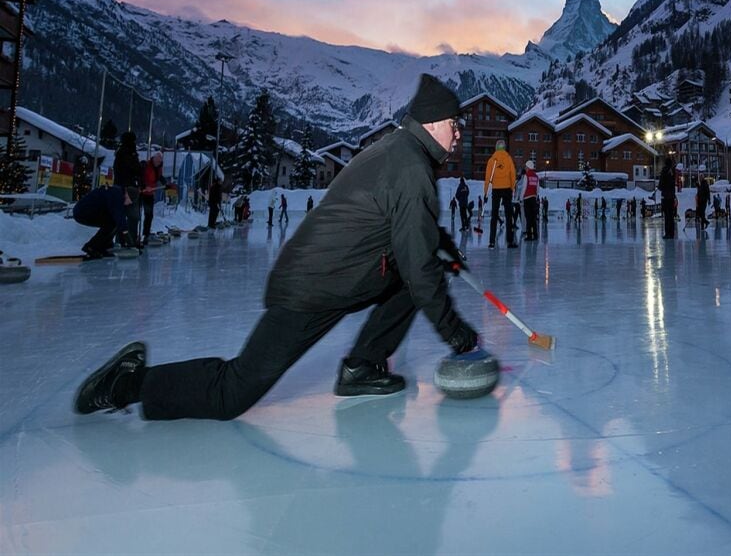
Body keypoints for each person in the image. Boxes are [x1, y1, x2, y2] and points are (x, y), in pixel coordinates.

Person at [74, 73, 481, 421]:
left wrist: (437, 242)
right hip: (312, 286)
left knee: (414, 276)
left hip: (339, 274)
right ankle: (126, 383)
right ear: (431, 124)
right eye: (454, 125)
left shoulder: (398, 151)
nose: (458, 134)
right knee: (232, 394)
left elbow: (405, 226)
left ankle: (363, 367)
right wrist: (457, 335)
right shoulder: (411, 168)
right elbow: (418, 264)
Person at [74, 185, 136, 260]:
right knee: (110, 224)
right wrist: (129, 240)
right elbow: (120, 218)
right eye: (130, 201)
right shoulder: (117, 196)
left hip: (88, 210)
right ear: (127, 195)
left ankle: (104, 246)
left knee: (111, 222)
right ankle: (91, 247)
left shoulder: (118, 192)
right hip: (83, 211)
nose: (129, 204)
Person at [483, 140, 517, 248]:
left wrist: (486, 193)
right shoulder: (508, 158)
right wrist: (512, 188)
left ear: (496, 147)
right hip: (507, 188)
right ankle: (510, 241)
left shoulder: (492, 160)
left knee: (494, 215)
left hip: (496, 189)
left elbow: (488, 177)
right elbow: (513, 174)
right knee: (508, 215)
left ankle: (492, 241)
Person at [113, 131, 141, 247]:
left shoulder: (120, 153)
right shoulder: (129, 153)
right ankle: (130, 241)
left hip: (120, 186)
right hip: (128, 188)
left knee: (122, 216)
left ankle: (121, 240)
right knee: (133, 216)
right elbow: (135, 169)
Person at [139, 151, 164, 246]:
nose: (158, 163)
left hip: (150, 193)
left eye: (159, 162)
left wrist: (164, 182)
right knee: (137, 215)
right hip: (142, 192)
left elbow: (159, 177)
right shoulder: (146, 165)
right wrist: (144, 186)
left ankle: (146, 234)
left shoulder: (159, 167)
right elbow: (141, 177)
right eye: (157, 161)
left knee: (149, 214)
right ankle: (133, 235)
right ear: (153, 159)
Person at [517, 160, 540, 241]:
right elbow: (537, 189)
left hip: (527, 199)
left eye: (526, 167)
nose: (525, 168)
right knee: (533, 217)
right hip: (533, 198)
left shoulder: (527, 175)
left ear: (528, 167)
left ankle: (529, 235)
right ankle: (536, 235)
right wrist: (536, 197)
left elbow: (524, 187)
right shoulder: (536, 176)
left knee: (528, 217)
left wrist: (521, 198)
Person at [659, 157, 677, 239]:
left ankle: (667, 233)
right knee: (671, 215)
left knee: (667, 215)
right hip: (672, 196)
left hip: (666, 196)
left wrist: (660, 187)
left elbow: (661, 185)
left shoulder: (664, 171)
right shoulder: (673, 171)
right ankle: (672, 233)